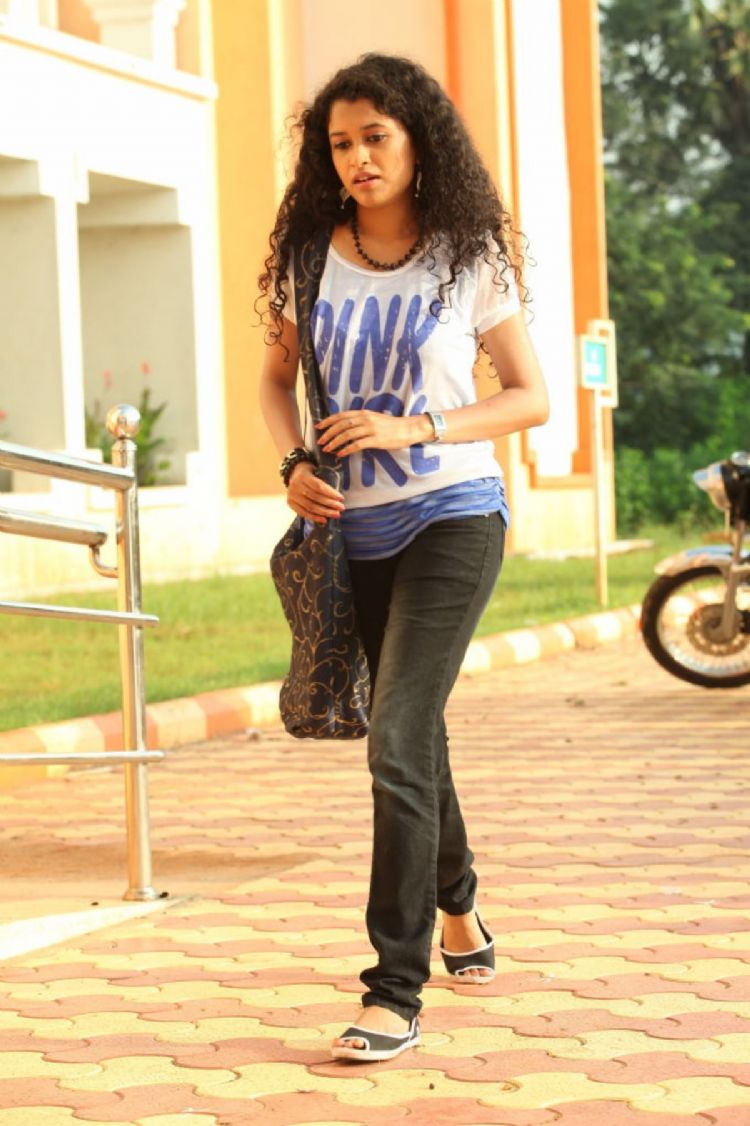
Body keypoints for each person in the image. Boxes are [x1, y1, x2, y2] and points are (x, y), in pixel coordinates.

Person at [258, 53, 548, 1063]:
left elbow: (529, 397)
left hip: (454, 514)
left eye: (376, 136)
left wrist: (414, 427)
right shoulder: (309, 256)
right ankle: (458, 902)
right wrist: (293, 462)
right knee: (412, 730)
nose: (359, 158)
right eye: (341, 143)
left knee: (394, 733)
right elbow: (275, 383)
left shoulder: (467, 257)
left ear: (419, 141)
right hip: (356, 532)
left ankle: (393, 990)